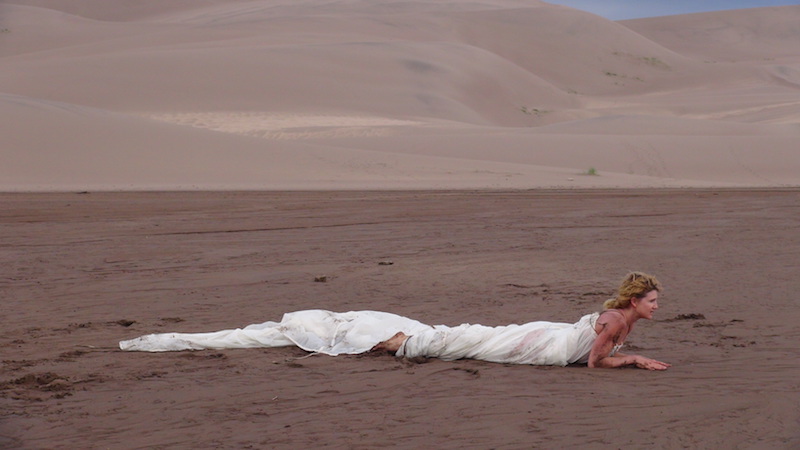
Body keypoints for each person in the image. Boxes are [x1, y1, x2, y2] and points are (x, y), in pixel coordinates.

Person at [119, 272, 670, 370]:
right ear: (633, 299)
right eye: (651, 301)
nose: (654, 308)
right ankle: (395, 344)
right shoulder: (611, 322)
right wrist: (631, 358)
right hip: (546, 344)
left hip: (549, 338)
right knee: (459, 342)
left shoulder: (618, 316)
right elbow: (594, 363)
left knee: (469, 338)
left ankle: (405, 342)